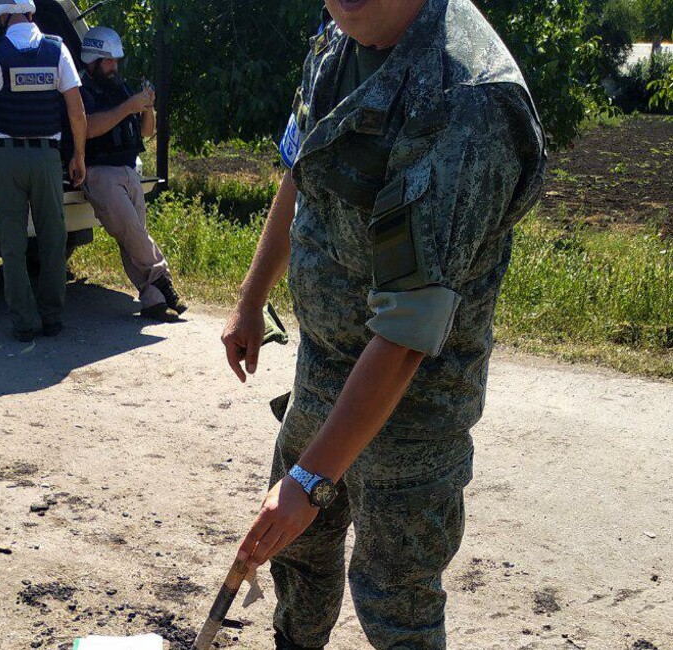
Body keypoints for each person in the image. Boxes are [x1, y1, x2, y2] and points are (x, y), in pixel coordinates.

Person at [219, 0, 547, 648]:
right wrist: (251, 297)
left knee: (395, 598)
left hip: (416, 408)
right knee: (298, 554)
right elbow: (302, 168)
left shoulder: (469, 97)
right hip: (324, 371)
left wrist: (311, 478)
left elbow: (406, 333)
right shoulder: (339, 31)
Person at [0, 0, 87, 342]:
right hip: (47, 159)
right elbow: (76, 111)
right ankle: (52, 317)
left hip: (8, 160)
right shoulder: (57, 50)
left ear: (1, 16)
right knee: (53, 239)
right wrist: (79, 156)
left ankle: (25, 322)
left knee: (12, 243)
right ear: (29, 11)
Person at [77, 27, 187, 322]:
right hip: (100, 172)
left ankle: (153, 300)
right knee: (132, 231)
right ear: (93, 61)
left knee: (132, 237)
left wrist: (147, 107)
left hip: (128, 169)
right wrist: (129, 106)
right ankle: (163, 280)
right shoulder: (82, 90)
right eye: (109, 61)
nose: (115, 67)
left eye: (116, 61)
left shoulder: (121, 88)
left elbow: (146, 132)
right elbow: (87, 128)